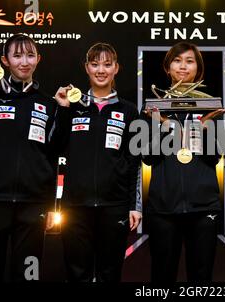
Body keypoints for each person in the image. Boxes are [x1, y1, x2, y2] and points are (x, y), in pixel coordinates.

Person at [0, 33, 68, 281]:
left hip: (33, 205)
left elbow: (57, 149)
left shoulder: (48, 103)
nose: (24, 61)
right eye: (17, 55)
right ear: (5, 60)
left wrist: (63, 112)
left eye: (30, 55)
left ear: (38, 59)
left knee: (27, 276)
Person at [54, 42, 141, 282]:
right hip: (75, 206)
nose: (100, 70)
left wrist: (135, 205)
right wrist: (62, 109)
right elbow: (55, 146)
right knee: (76, 273)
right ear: (86, 68)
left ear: (116, 68)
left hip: (115, 206)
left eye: (107, 64)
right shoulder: (71, 106)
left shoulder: (130, 111)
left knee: (110, 274)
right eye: (94, 64)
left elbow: (134, 161)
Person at [142, 41, 225, 282]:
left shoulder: (211, 107)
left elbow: (215, 156)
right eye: (177, 61)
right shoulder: (152, 109)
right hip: (163, 207)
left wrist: (201, 127)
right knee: (162, 276)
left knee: (201, 277)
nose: (183, 66)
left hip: (203, 208)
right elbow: (147, 157)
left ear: (198, 69)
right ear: (168, 67)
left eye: (189, 61)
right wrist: (165, 127)